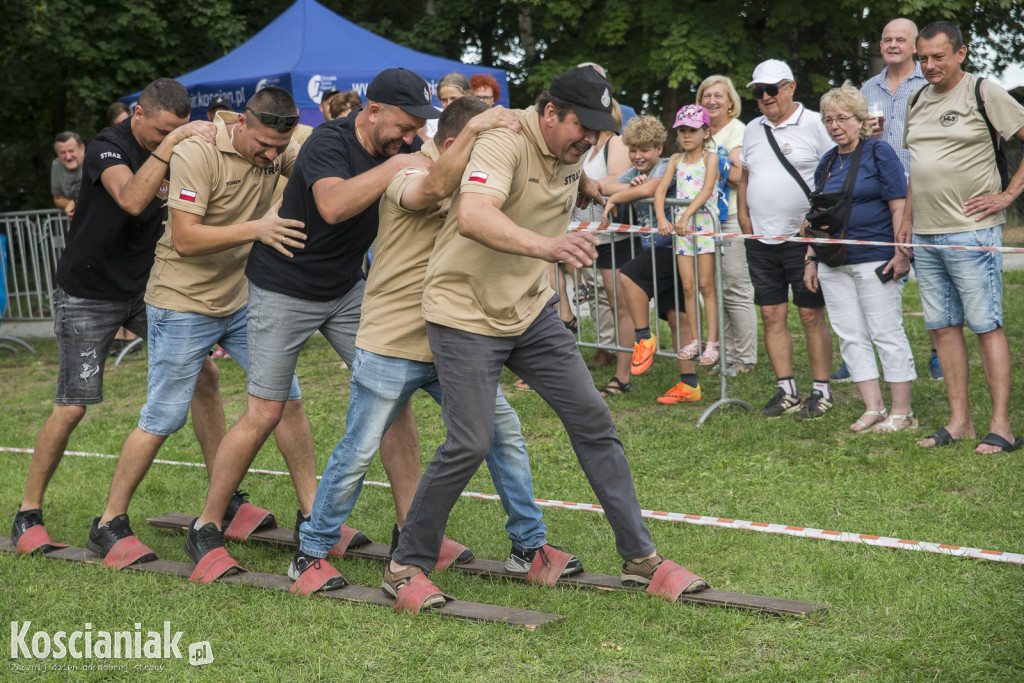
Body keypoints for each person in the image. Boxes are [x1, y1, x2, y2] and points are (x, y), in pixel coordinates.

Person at [384, 66, 708, 611]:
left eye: (598, 134)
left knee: (593, 419)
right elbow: (473, 216)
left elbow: (572, 182)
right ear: (550, 111)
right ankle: (404, 565)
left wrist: (598, 187)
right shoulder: (504, 139)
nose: (590, 141)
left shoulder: (573, 146)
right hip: (463, 313)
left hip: (528, 311)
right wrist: (547, 247)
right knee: (470, 441)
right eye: (583, 129)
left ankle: (640, 560)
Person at [289, 96, 583, 591]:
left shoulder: (480, 176)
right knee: (357, 451)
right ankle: (311, 551)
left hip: (459, 341)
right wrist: (475, 135)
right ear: (453, 143)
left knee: (502, 435)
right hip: (394, 341)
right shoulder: (408, 171)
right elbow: (432, 188)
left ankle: (528, 547)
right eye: (482, 147)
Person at [181, 68, 438, 573]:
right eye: (404, 126)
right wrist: (401, 164)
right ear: (373, 111)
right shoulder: (329, 141)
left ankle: (411, 530)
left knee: (392, 394)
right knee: (265, 413)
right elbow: (335, 204)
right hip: (283, 290)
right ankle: (206, 527)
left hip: (345, 290)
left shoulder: (401, 148)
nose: (411, 138)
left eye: (417, 129)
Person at [82, 87, 317, 563]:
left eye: (279, 148)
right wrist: (258, 228)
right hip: (181, 302)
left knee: (284, 398)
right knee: (162, 417)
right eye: (264, 145)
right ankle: (108, 522)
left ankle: (315, 514)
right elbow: (186, 239)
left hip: (239, 298)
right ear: (243, 124)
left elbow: (323, 162)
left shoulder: (279, 143)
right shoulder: (197, 150)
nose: (271, 155)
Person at [10, 78, 222, 555]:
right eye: (161, 130)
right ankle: (27, 514)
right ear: (139, 115)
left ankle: (222, 500)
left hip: (148, 289)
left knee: (205, 374)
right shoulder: (108, 146)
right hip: (89, 291)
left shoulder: (171, 143)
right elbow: (130, 199)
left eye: (178, 129)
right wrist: (170, 146)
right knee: (73, 405)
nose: (166, 137)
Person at [897, 21, 1024, 453]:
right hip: (927, 235)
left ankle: (1001, 427)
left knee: (985, 325)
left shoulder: (982, 91)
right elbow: (920, 165)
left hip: (971, 234)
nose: (929, 65)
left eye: (938, 56)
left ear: (961, 53)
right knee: (943, 328)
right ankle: (960, 422)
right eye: (923, 58)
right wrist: (906, 222)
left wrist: (1007, 195)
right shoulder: (916, 97)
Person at [802, 83, 917, 434]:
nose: (835, 125)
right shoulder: (827, 161)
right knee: (850, 334)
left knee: (886, 332)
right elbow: (816, 214)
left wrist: (902, 252)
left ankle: (902, 412)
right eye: (828, 120)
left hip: (875, 257)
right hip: (834, 260)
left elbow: (899, 206)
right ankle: (873, 407)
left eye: (842, 118)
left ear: (860, 120)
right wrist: (811, 258)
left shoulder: (879, 153)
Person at [845, 17, 942, 383]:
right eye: (887, 39)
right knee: (873, 278)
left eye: (900, 39)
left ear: (915, 45)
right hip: (879, 196)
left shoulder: (930, 81)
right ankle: (865, 353)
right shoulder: (866, 89)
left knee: (930, 279)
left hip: (925, 191)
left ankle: (937, 354)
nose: (892, 45)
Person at [737, 59, 835, 420]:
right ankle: (786, 389)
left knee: (810, 315)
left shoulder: (814, 124)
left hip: (801, 237)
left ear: (790, 87)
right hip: (760, 237)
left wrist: (815, 229)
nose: (764, 98)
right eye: (758, 92)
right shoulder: (751, 129)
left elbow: (833, 173)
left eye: (770, 90)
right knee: (770, 314)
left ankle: (821, 390)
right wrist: (745, 220)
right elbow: (745, 178)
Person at [601, 117, 702, 404]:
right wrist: (621, 190)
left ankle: (643, 337)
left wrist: (619, 197)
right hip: (660, 249)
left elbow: (649, 190)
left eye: (644, 150)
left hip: (677, 244)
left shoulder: (666, 164)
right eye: (633, 150)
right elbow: (606, 184)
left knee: (629, 275)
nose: (637, 156)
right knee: (677, 315)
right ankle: (689, 384)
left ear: (659, 148)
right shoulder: (635, 171)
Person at [698, 75, 757, 374]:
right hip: (704, 220)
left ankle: (744, 358)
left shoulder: (738, 131)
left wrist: (711, 165)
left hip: (731, 217)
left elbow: (738, 175)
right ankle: (725, 355)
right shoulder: (698, 132)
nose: (711, 100)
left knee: (735, 287)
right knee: (714, 289)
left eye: (718, 95)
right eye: (706, 95)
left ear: (731, 101)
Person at [654, 105, 721, 367]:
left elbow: (706, 190)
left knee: (706, 286)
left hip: (703, 226)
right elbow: (660, 191)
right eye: (681, 130)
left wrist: (685, 216)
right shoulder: (674, 160)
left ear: (705, 132)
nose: (686, 136)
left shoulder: (711, 158)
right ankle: (696, 339)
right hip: (682, 232)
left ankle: (712, 341)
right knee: (688, 287)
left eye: (692, 130)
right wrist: (662, 218)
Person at [422, 73, 471, 140]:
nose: (449, 103)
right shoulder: (438, 123)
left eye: (453, 98)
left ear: (467, 96)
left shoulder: (479, 121)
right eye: (444, 100)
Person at [51, 132, 85, 218]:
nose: (68, 157)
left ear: (82, 149)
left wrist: (76, 203)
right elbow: (57, 198)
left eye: (71, 151)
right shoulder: (56, 165)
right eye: (62, 153)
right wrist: (69, 204)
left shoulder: (94, 161)